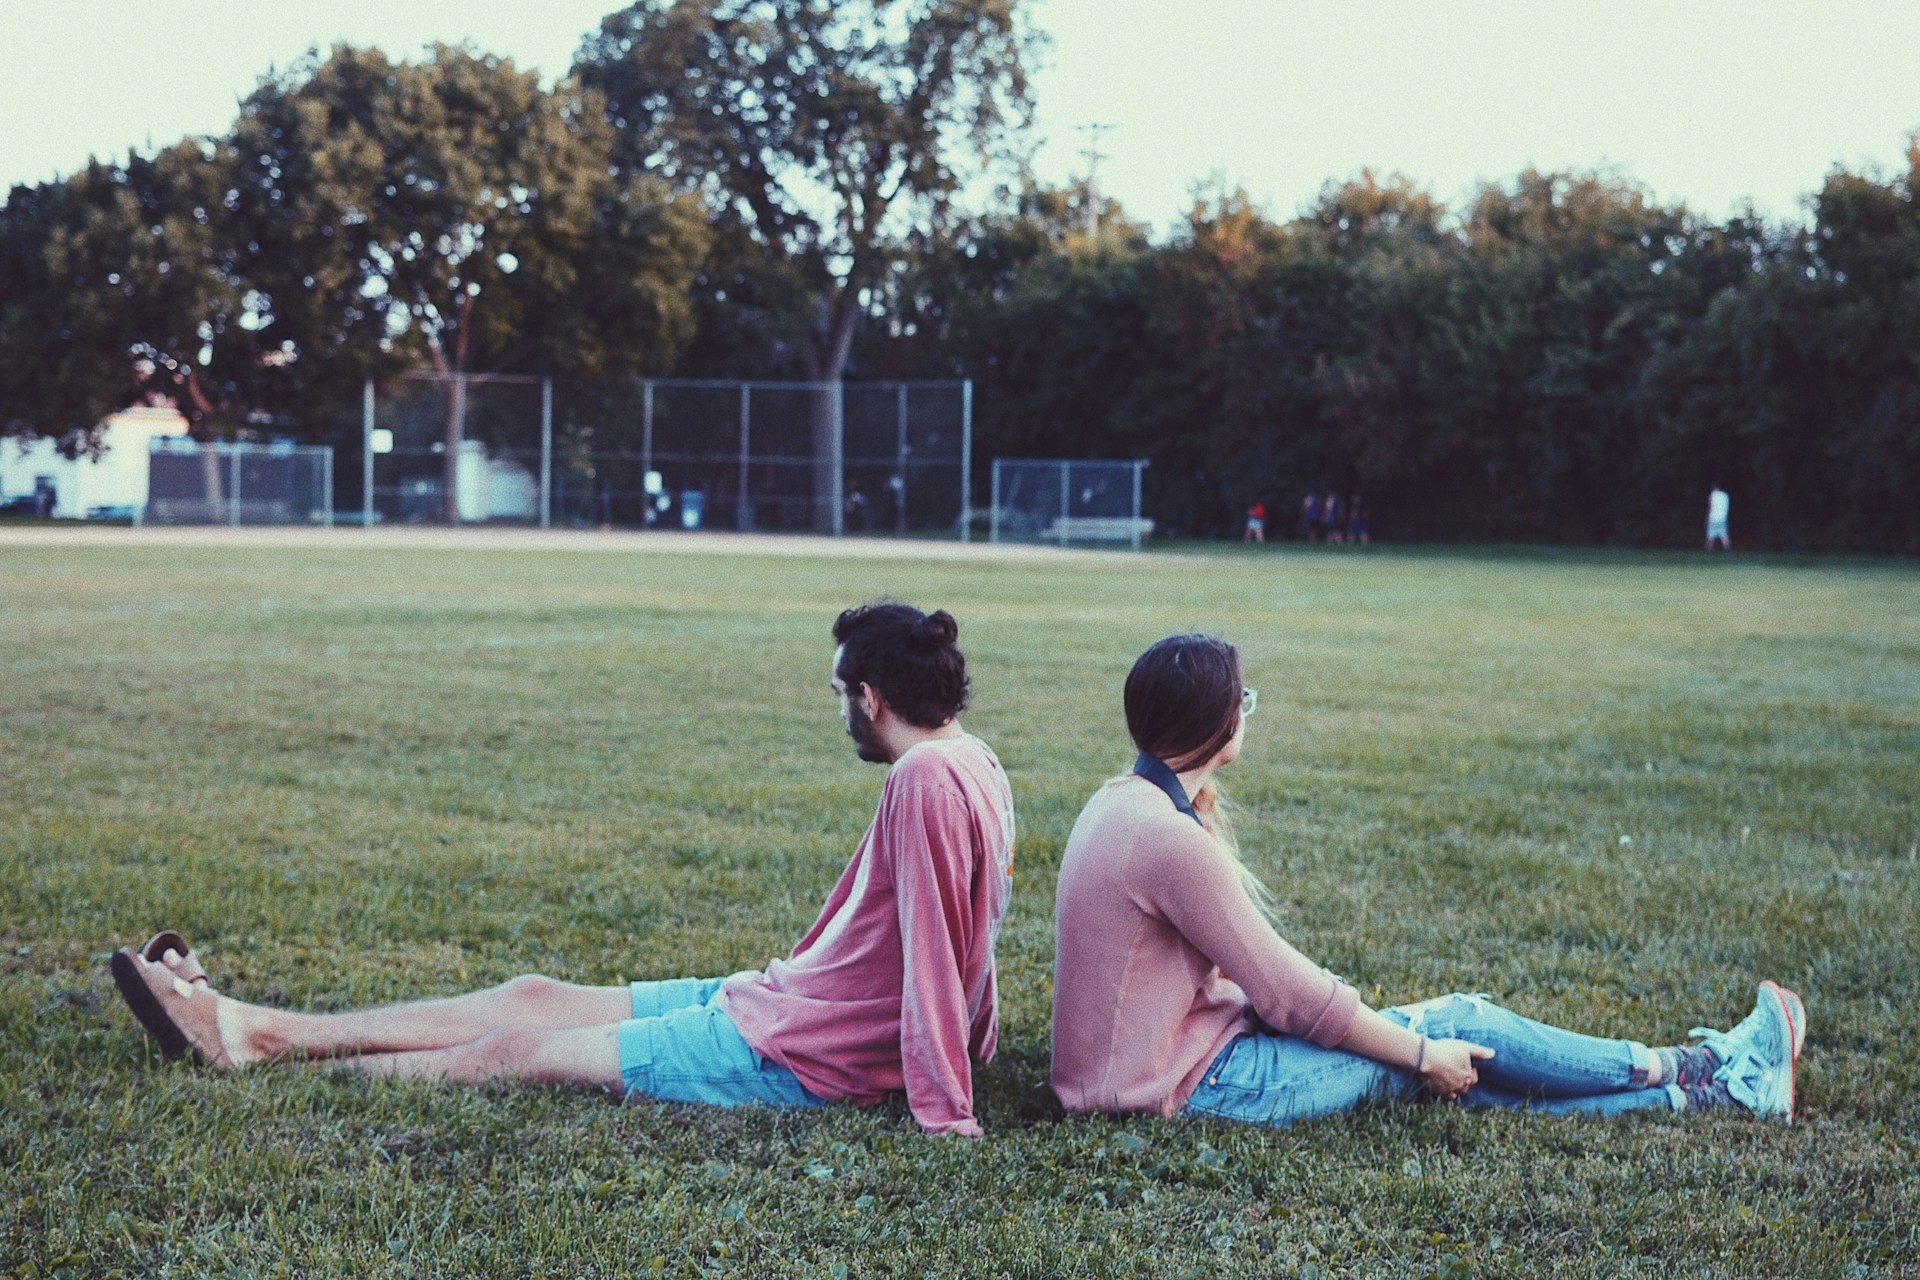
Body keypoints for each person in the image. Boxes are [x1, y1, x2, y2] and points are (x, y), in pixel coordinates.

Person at [112, 603, 1017, 1138]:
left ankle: (257, 1051)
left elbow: (941, 954)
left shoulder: (929, 780)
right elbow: (972, 939)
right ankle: (244, 1027)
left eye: (839, 700)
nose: (841, 718)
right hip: (781, 1002)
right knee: (533, 991)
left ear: (870, 697)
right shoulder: (969, 759)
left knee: (516, 1052)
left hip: (807, 1054)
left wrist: (946, 1110)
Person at [1050, 633, 1804, 1129]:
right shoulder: (1168, 839)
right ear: (1214, 728)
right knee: (1458, 1027)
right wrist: (1416, 1052)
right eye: (1240, 702)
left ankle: (1699, 1092)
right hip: (1193, 1091)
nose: (1247, 714)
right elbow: (1292, 997)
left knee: (1454, 1059)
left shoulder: (1124, 800)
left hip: (1148, 1075)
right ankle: (1690, 1066)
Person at [1706, 485, 1731, 551]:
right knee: (1724, 536)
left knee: (1710, 536)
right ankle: (1727, 550)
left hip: (1713, 518)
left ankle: (1708, 551)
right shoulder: (1725, 496)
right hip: (1723, 518)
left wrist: (1707, 518)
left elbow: (1710, 507)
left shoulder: (1712, 495)